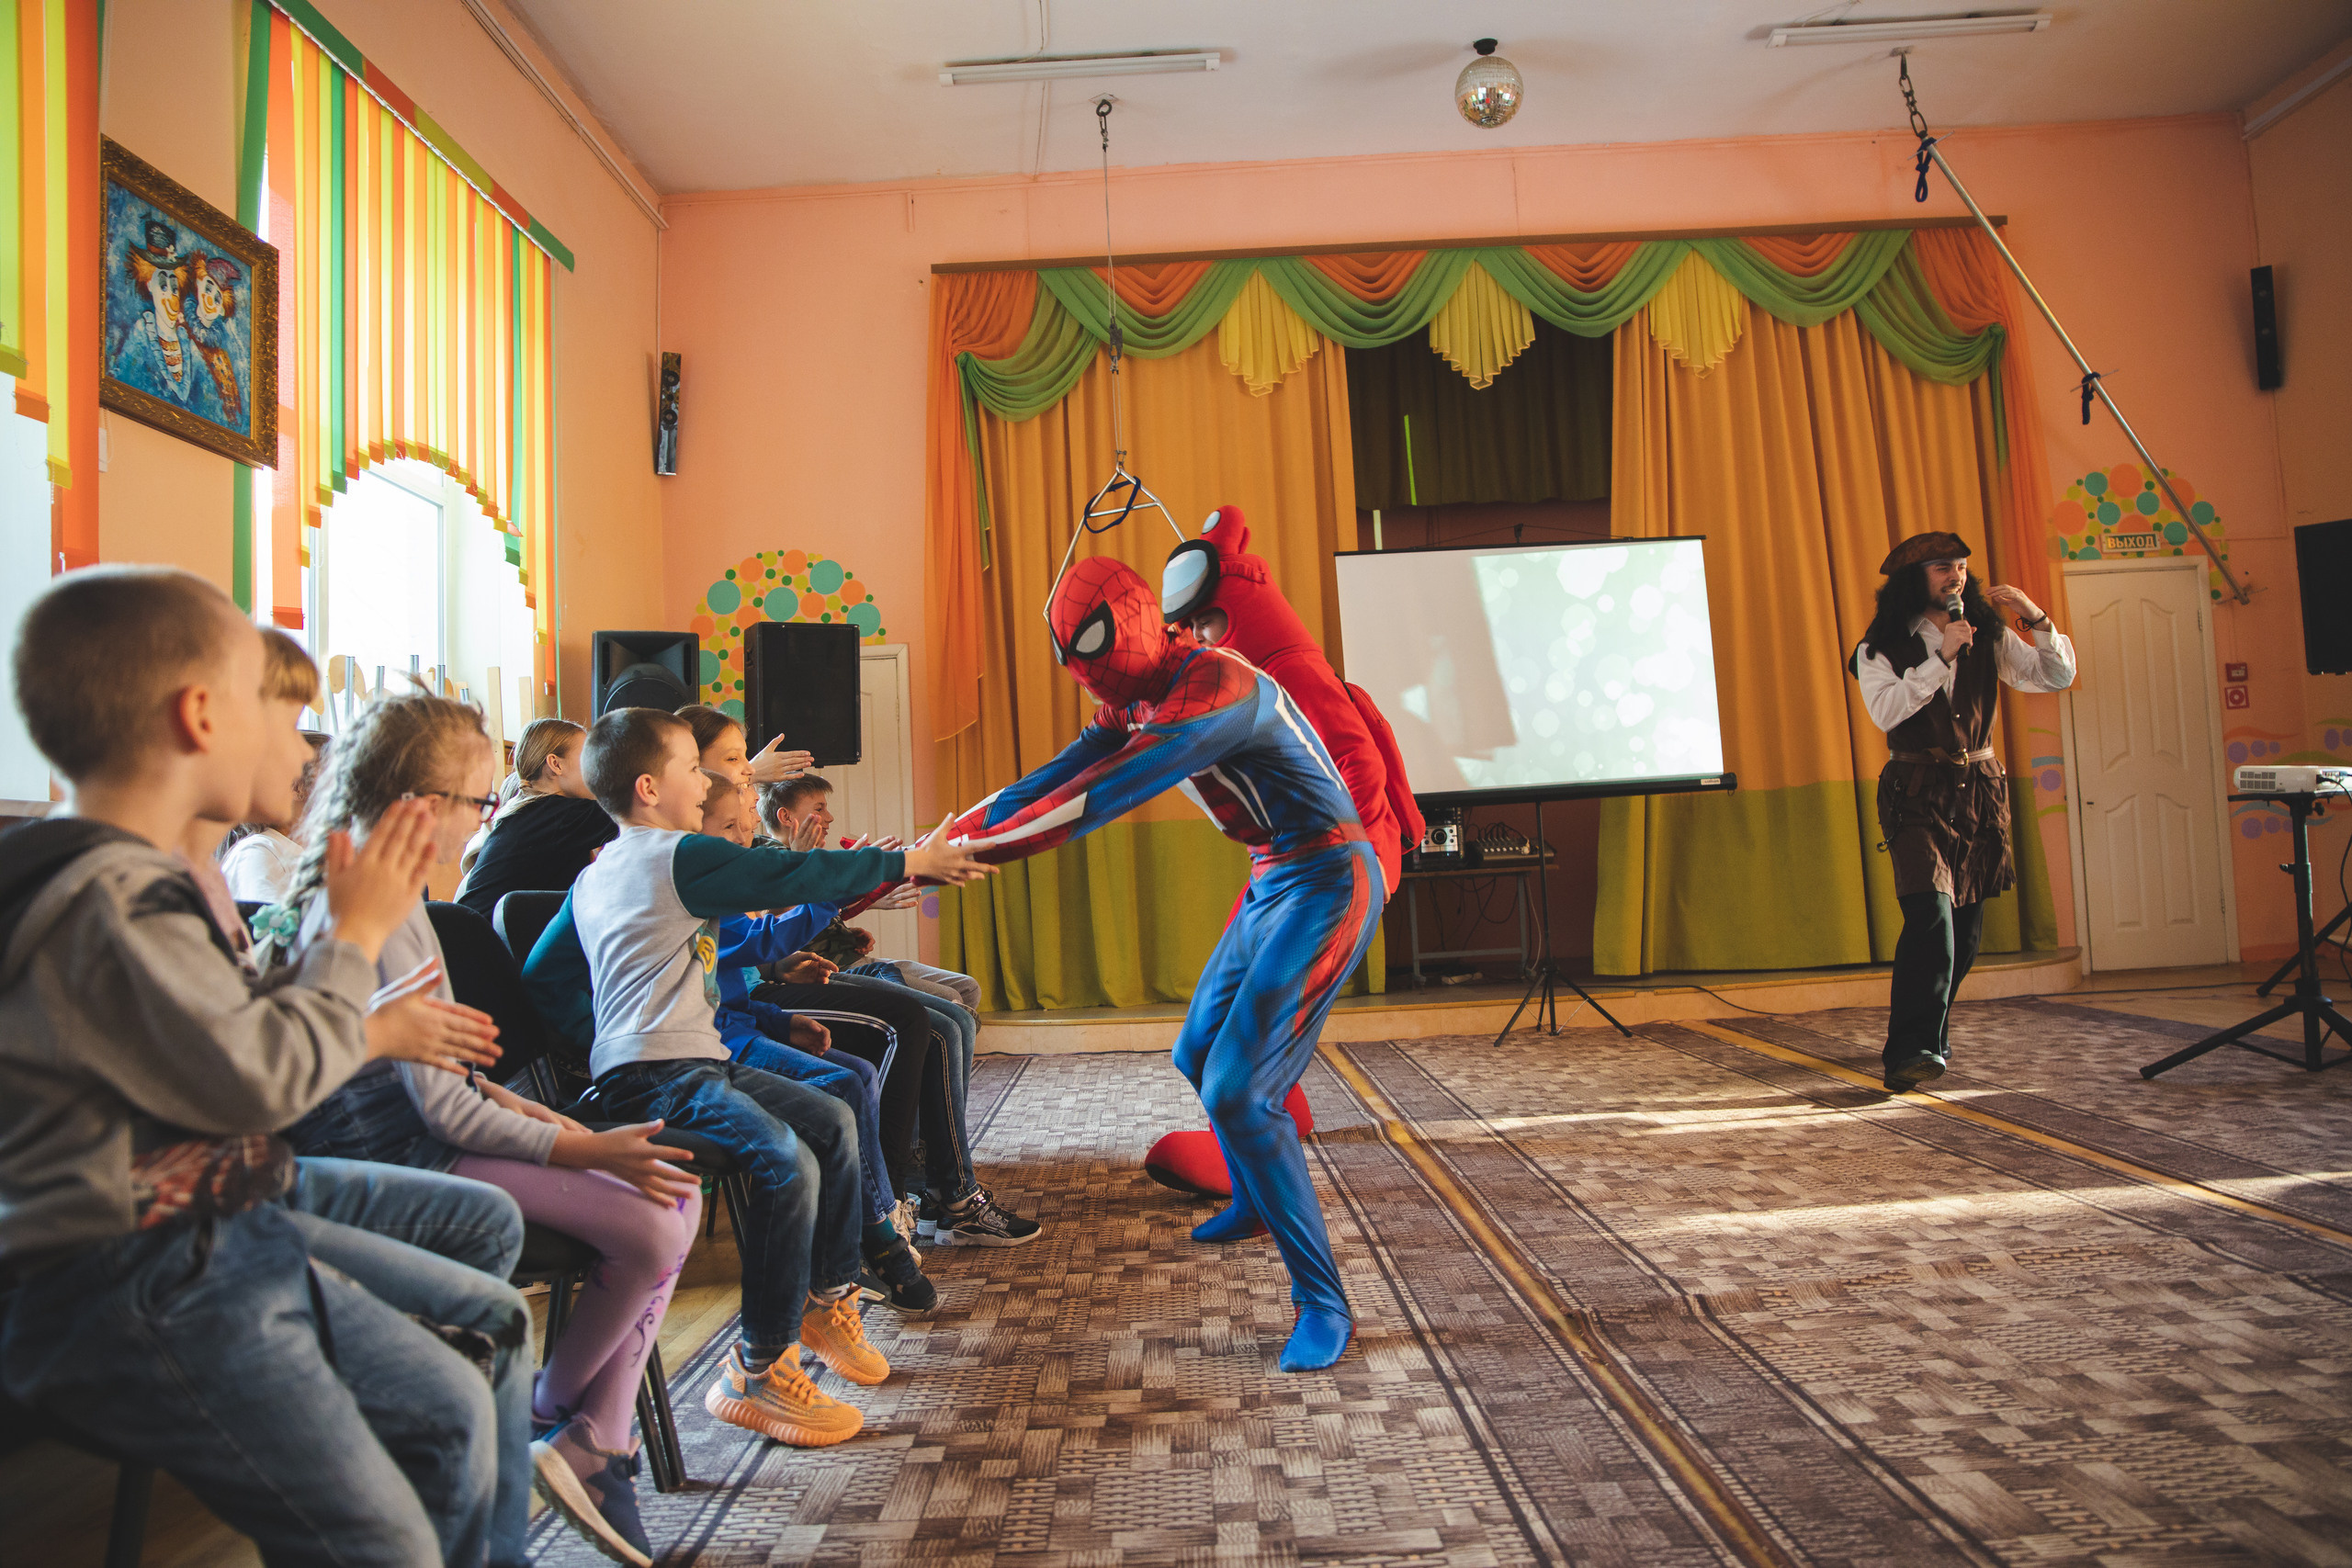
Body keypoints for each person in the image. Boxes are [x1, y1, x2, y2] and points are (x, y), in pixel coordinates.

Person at [0, 566, 511, 1567]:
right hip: (142, 1277)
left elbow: (212, 1049)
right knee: (379, 1542)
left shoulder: (115, 878)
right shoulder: (112, 896)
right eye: (278, 721)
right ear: (198, 716)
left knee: (452, 1413)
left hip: (216, 1240)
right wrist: (353, 943)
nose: (301, 752)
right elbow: (255, 1079)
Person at [264, 686, 704, 1566]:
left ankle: (592, 1439)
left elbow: (460, 1078)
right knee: (655, 1226)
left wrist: (553, 1119)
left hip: (449, 1135)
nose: (486, 816)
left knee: (676, 1195)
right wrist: (581, 1145)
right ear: (422, 805)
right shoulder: (372, 918)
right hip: (412, 1160)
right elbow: (440, 1110)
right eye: (476, 800)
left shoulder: (408, 912)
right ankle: (559, 1420)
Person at [944, 554, 1383, 1373]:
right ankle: (1254, 1202)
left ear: (1138, 626)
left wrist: (957, 853)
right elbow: (1047, 780)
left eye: (1093, 654)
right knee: (1195, 1051)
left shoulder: (1212, 687)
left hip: (1330, 877)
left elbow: (1090, 798)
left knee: (1239, 1090)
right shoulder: (1139, 695)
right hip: (1273, 877)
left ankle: (1322, 1300)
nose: (1087, 680)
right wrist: (927, 846)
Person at [522, 707, 991, 1448]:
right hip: (659, 1076)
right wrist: (906, 862)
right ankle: (757, 1366)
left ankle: (826, 1296)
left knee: (832, 1119)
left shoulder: (599, 873)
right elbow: (790, 870)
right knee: (783, 1161)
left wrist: (597, 1039)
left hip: (689, 1062)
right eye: (690, 769)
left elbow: (543, 973)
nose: (705, 781)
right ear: (649, 788)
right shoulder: (667, 854)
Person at [682, 704, 1035, 1249]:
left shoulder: (727, 841)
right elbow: (766, 929)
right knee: (917, 1025)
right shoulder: (702, 850)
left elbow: (757, 941)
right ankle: (895, 1209)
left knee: (946, 1015)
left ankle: (920, 1195)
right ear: (687, 773)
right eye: (736, 762)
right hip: (732, 1026)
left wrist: (787, 953)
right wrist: (891, 868)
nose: (751, 779)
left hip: (757, 1001)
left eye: (747, 768)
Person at [1148, 505, 1423, 1198]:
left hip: (1329, 868)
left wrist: (1347, 867)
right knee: (1207, 1034)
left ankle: (1249, 1143)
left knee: (1247, 1035)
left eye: (1209, 622)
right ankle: (1275, 1116)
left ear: (1236, 612)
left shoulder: (1288, 672)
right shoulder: (1243, 679)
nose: (1200, 637)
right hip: (1284, 864)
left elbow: (1358, 764)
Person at [697, 775, 935, 1311]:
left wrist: (778, 1022)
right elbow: (758, 946)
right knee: (848, 1080)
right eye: (732, 825)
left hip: (745, 1020)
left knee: (866, 1072)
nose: (746, 835)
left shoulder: (725, 874)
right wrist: (834, 887)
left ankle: (877, 1228)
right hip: (717, 1043)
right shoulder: (702, 880)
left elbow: (735, 976)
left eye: (746, 825)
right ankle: (873, 1241)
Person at [1851, 531, 2074, 1093]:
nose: (1957, 576)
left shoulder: (1989, 634)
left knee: (1968, 931)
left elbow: (2054, 676)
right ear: (1913, 579)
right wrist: (1941, 655)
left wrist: (2035, 617)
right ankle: (1912, 1051)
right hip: (1914, 790)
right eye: (1943, 567)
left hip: (1978, 788)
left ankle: (1928, 1036)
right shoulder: (1876, 648)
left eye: (1962, 565)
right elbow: (1887, 711)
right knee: (1931, 918)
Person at [455, 716, 619, 921]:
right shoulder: (559, 815)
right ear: (555, 764)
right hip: (484, 944)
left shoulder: (532, 812)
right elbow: (637, 809)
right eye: (588, 756)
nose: (598, 767)